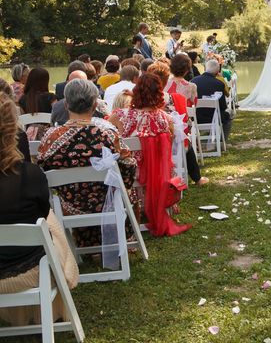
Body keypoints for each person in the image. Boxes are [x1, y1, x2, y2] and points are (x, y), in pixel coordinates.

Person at [0, 93, 78, 327]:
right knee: (50, 223)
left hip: (22, 263)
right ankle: (66, 276)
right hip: (29, 272)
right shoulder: (29, 175)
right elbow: (42, 212)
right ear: (13, 130)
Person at [38, 79, 137, 248]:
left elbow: (42, 170)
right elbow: (128, 164)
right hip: (107, 203)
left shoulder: (50, 138)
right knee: (127, 190)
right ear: (94, 105)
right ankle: (115, 240)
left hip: (68, 205)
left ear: (67, 105)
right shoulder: (106, 133)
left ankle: (81, 242)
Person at [109, 73, 191, 237]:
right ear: (159, 93)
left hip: (131, 174)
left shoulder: (120, 116)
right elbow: (170, 147)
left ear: (136, 91)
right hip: (159, 175)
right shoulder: (166, 119)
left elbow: (110, 140)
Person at [147, 62, 209, 187]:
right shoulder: (172, 99)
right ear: (164, 81)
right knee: (184, 140)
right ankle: (197, 178)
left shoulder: (138, 98)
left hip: (145, 144)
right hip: (167, 141)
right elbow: (185, 124)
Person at [192, 59, 232, 139]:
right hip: (214, 118)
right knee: (228, 115)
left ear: (206, 68)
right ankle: (222, 140)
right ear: (217, 72)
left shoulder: (193, 81)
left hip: (195, 117)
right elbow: (223, 106)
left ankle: (196, 139)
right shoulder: (219, 84)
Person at [18, 68, 57, 141]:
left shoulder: (22, 99)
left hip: (29, 138)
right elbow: (56, 116)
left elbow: (22, 122)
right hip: (48, 137)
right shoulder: (51, 97)